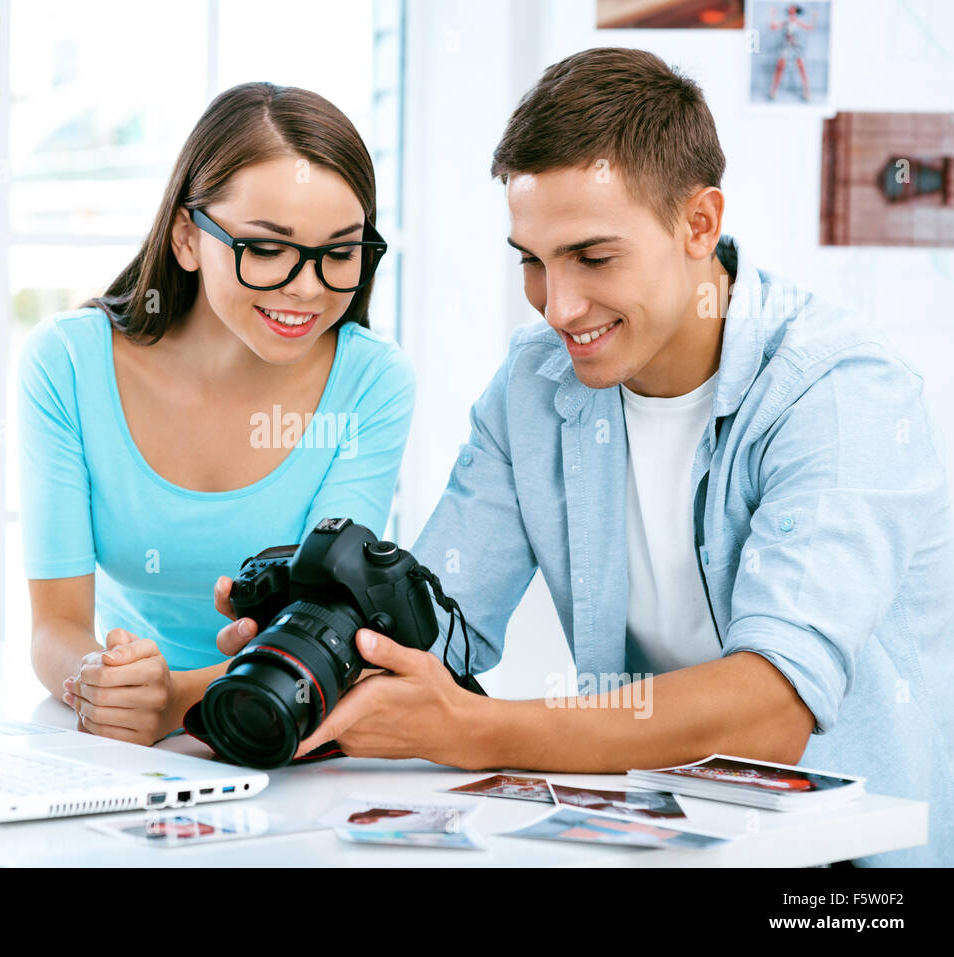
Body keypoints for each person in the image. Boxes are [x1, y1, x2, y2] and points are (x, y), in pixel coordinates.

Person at [215, 48, 954, 867]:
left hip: (853, 871)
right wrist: (303, 649)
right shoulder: (535, 384)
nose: (557, 307)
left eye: (593, 258)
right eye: (532, 260)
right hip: (661, 836)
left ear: (699, 223)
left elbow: (771, 713)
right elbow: (432, 629)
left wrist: (473, 729)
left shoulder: (839, 390)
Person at [18, 82, 414, 748]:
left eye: (339, 253)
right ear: (186, 238)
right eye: (266, 249)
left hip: (289, 725)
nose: (308, 288)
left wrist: (172, 699)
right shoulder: (66, 363)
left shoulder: (373, 382)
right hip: (117, 740)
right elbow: (53, 627)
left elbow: (326, 630)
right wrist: (95, 680)